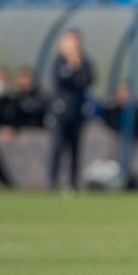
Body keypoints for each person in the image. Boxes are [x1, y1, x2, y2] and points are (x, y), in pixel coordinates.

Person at [46, 29, 95, 193]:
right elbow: (61, 81)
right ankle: (52, 183)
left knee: (75, 149)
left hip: (77, 111)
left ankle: (73, 183)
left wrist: (76, 68)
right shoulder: (59, 61)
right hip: (60, 111)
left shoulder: (84, 62)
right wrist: (74, 74)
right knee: (57, 146)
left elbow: (88, 80)